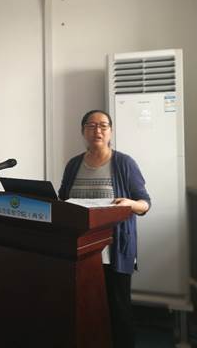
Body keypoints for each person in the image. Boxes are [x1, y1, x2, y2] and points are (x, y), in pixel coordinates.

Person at [58, 110, 150, 348]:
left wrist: (130, 204)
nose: (97, 130)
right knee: (84, 308)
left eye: (103, 126)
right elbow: (62, 201)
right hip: (79, 250)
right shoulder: (73, 164)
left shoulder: (124, 163)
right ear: (83, 131)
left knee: (118, 310)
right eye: (91, 125)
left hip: (114, 250)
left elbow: (144, 203)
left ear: (110, 131)